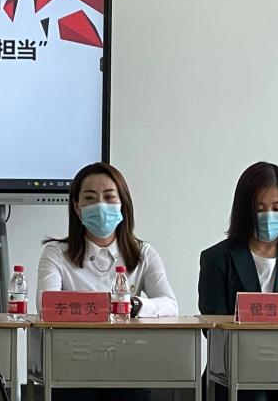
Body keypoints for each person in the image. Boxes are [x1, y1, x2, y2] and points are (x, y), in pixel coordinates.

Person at [37, 162, 177, 401]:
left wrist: (135, 305)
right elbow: (46, 306)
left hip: (128, 362)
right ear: (77, 207)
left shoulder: (143, 253)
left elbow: (170, 304)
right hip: (72, 363)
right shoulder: (56, 253)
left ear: (123, 204)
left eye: (109, 197)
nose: (100, 206)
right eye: (90, 198)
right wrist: (103, 305)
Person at [199, 161, 278, 401]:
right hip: (236, 371)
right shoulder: (216, 259)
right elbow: (211, 327)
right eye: (260, 209)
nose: (269, 217)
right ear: (244, 211)